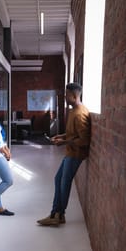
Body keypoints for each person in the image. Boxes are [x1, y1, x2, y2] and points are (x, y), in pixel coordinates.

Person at [37, 82, 91, 226]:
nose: (65, 97)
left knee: (64, 182)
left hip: (75, 155)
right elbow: (72, 133)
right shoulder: (74, 111)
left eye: (67, 95)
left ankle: (58, 215)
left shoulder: (80, 114)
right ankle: (56, 214)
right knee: (58, 180)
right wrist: (61, 136)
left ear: (74, 96)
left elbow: (84, 141)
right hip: (70, 152)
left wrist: (64, 143)